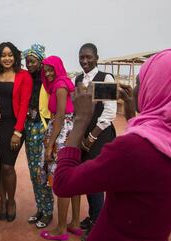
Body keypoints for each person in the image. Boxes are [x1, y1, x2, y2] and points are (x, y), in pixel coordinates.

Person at [53, 49, 171, 241]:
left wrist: (81, 120)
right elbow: (143, 174)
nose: (135, 90)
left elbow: (63, 183)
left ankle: (94, 219)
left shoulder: (133, 150)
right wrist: (133, 116)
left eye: (141, 82)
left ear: (160, 88)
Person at [73, 43, 117, 239]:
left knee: (95, 179)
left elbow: (109, 112)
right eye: (82, 57)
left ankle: (98, 224)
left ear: (97, 57)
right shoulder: (79, 79)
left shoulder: (105, 78)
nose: (85, 61)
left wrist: (91, 137)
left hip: (100, 135)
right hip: (84, 134)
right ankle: (93, 217)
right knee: (88, 178)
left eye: (89, 57)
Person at [38, 56, 79, 241]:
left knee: (61, 179)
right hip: (68, 132)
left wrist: (50, 146)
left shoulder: (60, 85)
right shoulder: (63, 83)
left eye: (50, 69)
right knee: (73, 178)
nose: (47, 73)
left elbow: (60, 116)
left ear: (58, 68)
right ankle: (75, 224)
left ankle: (61, 229)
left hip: (61, 134)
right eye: (45, 70)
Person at [0, 42, 33, 222]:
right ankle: (1, 201)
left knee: (8, 166)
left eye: (10, 55)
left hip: (14, 126)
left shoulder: (24, 76)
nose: (6, 58)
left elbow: (24, 104)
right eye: (3, 55)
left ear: (15, 56)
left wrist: (18, 131)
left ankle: (11, 201)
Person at [22, 43, 53, 228]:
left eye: (32, 61)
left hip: (43, 129)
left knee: (43, 172)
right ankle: (40, 208)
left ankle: (48, 211)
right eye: (27, 61)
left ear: (41, 62)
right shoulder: (27, 78)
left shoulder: (46, 81)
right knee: (34, 172)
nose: (29, 64)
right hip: (29, 128)